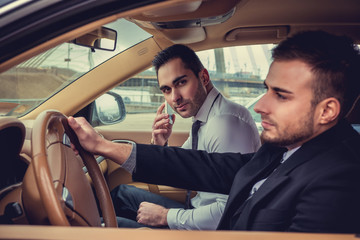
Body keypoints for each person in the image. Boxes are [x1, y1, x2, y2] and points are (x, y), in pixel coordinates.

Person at [68, 31, 360, 233]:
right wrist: (104, 146)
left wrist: (168, 218)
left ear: (327, 111)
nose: (260, 106)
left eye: (281, 95)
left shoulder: (341, 177)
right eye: (266, 90)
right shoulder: (282, 148)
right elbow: (209, 167)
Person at [110, 44, 261, 229]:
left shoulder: (225, 124)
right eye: (166, 89)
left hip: (212, 229)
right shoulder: (206, 116)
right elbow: (184, 168)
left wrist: (166, 216)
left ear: (204, 77)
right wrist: (160, 145)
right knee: (122, 194)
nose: (175, 98)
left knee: (107, 227)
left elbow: (229, 213)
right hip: (197, 210)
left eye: (181, 83)